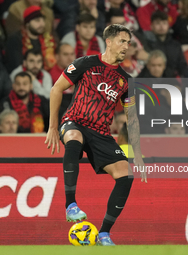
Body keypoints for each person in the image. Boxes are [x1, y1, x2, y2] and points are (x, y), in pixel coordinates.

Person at [44, 24, 146, 246]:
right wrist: (53, 127)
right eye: (122, 41)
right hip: (75, 121)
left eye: (128, 43)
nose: (126, 46)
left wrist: (137, 150)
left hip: (101, 132)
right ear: (108, 41)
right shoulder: (85, 63)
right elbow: (56, 89)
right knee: (73, 138)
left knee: (126, 174)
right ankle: (71, 205)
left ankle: (104, 234)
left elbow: (132, 118)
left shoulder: (126, 81)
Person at [5, 5, 56, 73]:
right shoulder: (15, 39)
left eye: (43, 20)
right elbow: (16, 65)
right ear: (27, 24)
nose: (42, 24)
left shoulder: (48, 38)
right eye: (37, 21)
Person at [144, 11, 187, 76]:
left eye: (164, 23)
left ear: (168, 26)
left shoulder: (175, 45)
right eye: (158, 23)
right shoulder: (146, 44)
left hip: (172, 81)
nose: (161, 26)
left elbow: (183, 67)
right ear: (151, 26)